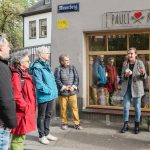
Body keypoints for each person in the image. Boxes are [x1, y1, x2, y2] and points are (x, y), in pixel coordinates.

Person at [30, 46, 58, 145]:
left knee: (48, 114)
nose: (48, 54)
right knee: (41, 116)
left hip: (51, 95)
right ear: (41, 54)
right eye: (46, 52)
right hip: (44, 95)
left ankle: (47, 133)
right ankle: (41, 135)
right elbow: (39, 83)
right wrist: (49, 91)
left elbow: (51, 79)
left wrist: (54, 91)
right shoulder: (37, 67)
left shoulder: (46, 65)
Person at [10, 52, 36, 150]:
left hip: (24, 112)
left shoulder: (23, 74)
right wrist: (26, 107)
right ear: (21, 63)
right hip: (21, 113)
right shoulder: (17, 75)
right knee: (18, 138)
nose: (30, 62)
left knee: (21, 136)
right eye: (27, 60)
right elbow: (17, 96)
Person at [120, 47, 147, 134]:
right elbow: (122, 77)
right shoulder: (125, 63)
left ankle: (136, 125)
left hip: (137, 87)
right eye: (129, 53)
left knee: (137, 108)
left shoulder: (140, 63)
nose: (130, 55)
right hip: (127, 87)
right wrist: (126, 75)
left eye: (132, 53)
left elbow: (144, 76)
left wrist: (142, 73)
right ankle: (126, 125)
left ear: (136, 54)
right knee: (126, 107)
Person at [54, 54, 83, 130]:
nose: (68, 61)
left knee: (75, 108)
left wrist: (73, 86)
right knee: (63, 109)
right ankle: (64, 123)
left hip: (72, 92)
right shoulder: (58, 69)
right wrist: (64, 87)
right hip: (63, 93)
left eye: (68, 60)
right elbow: (57, 80)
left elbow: (76, 78)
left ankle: (77, 124)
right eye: (66, 60)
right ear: (61, 61)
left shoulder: (72, 67)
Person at [0, 34, 17, 150]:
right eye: (7, 46)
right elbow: (5, 100)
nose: (9, 48)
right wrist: (12, 123)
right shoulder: (2, 68)